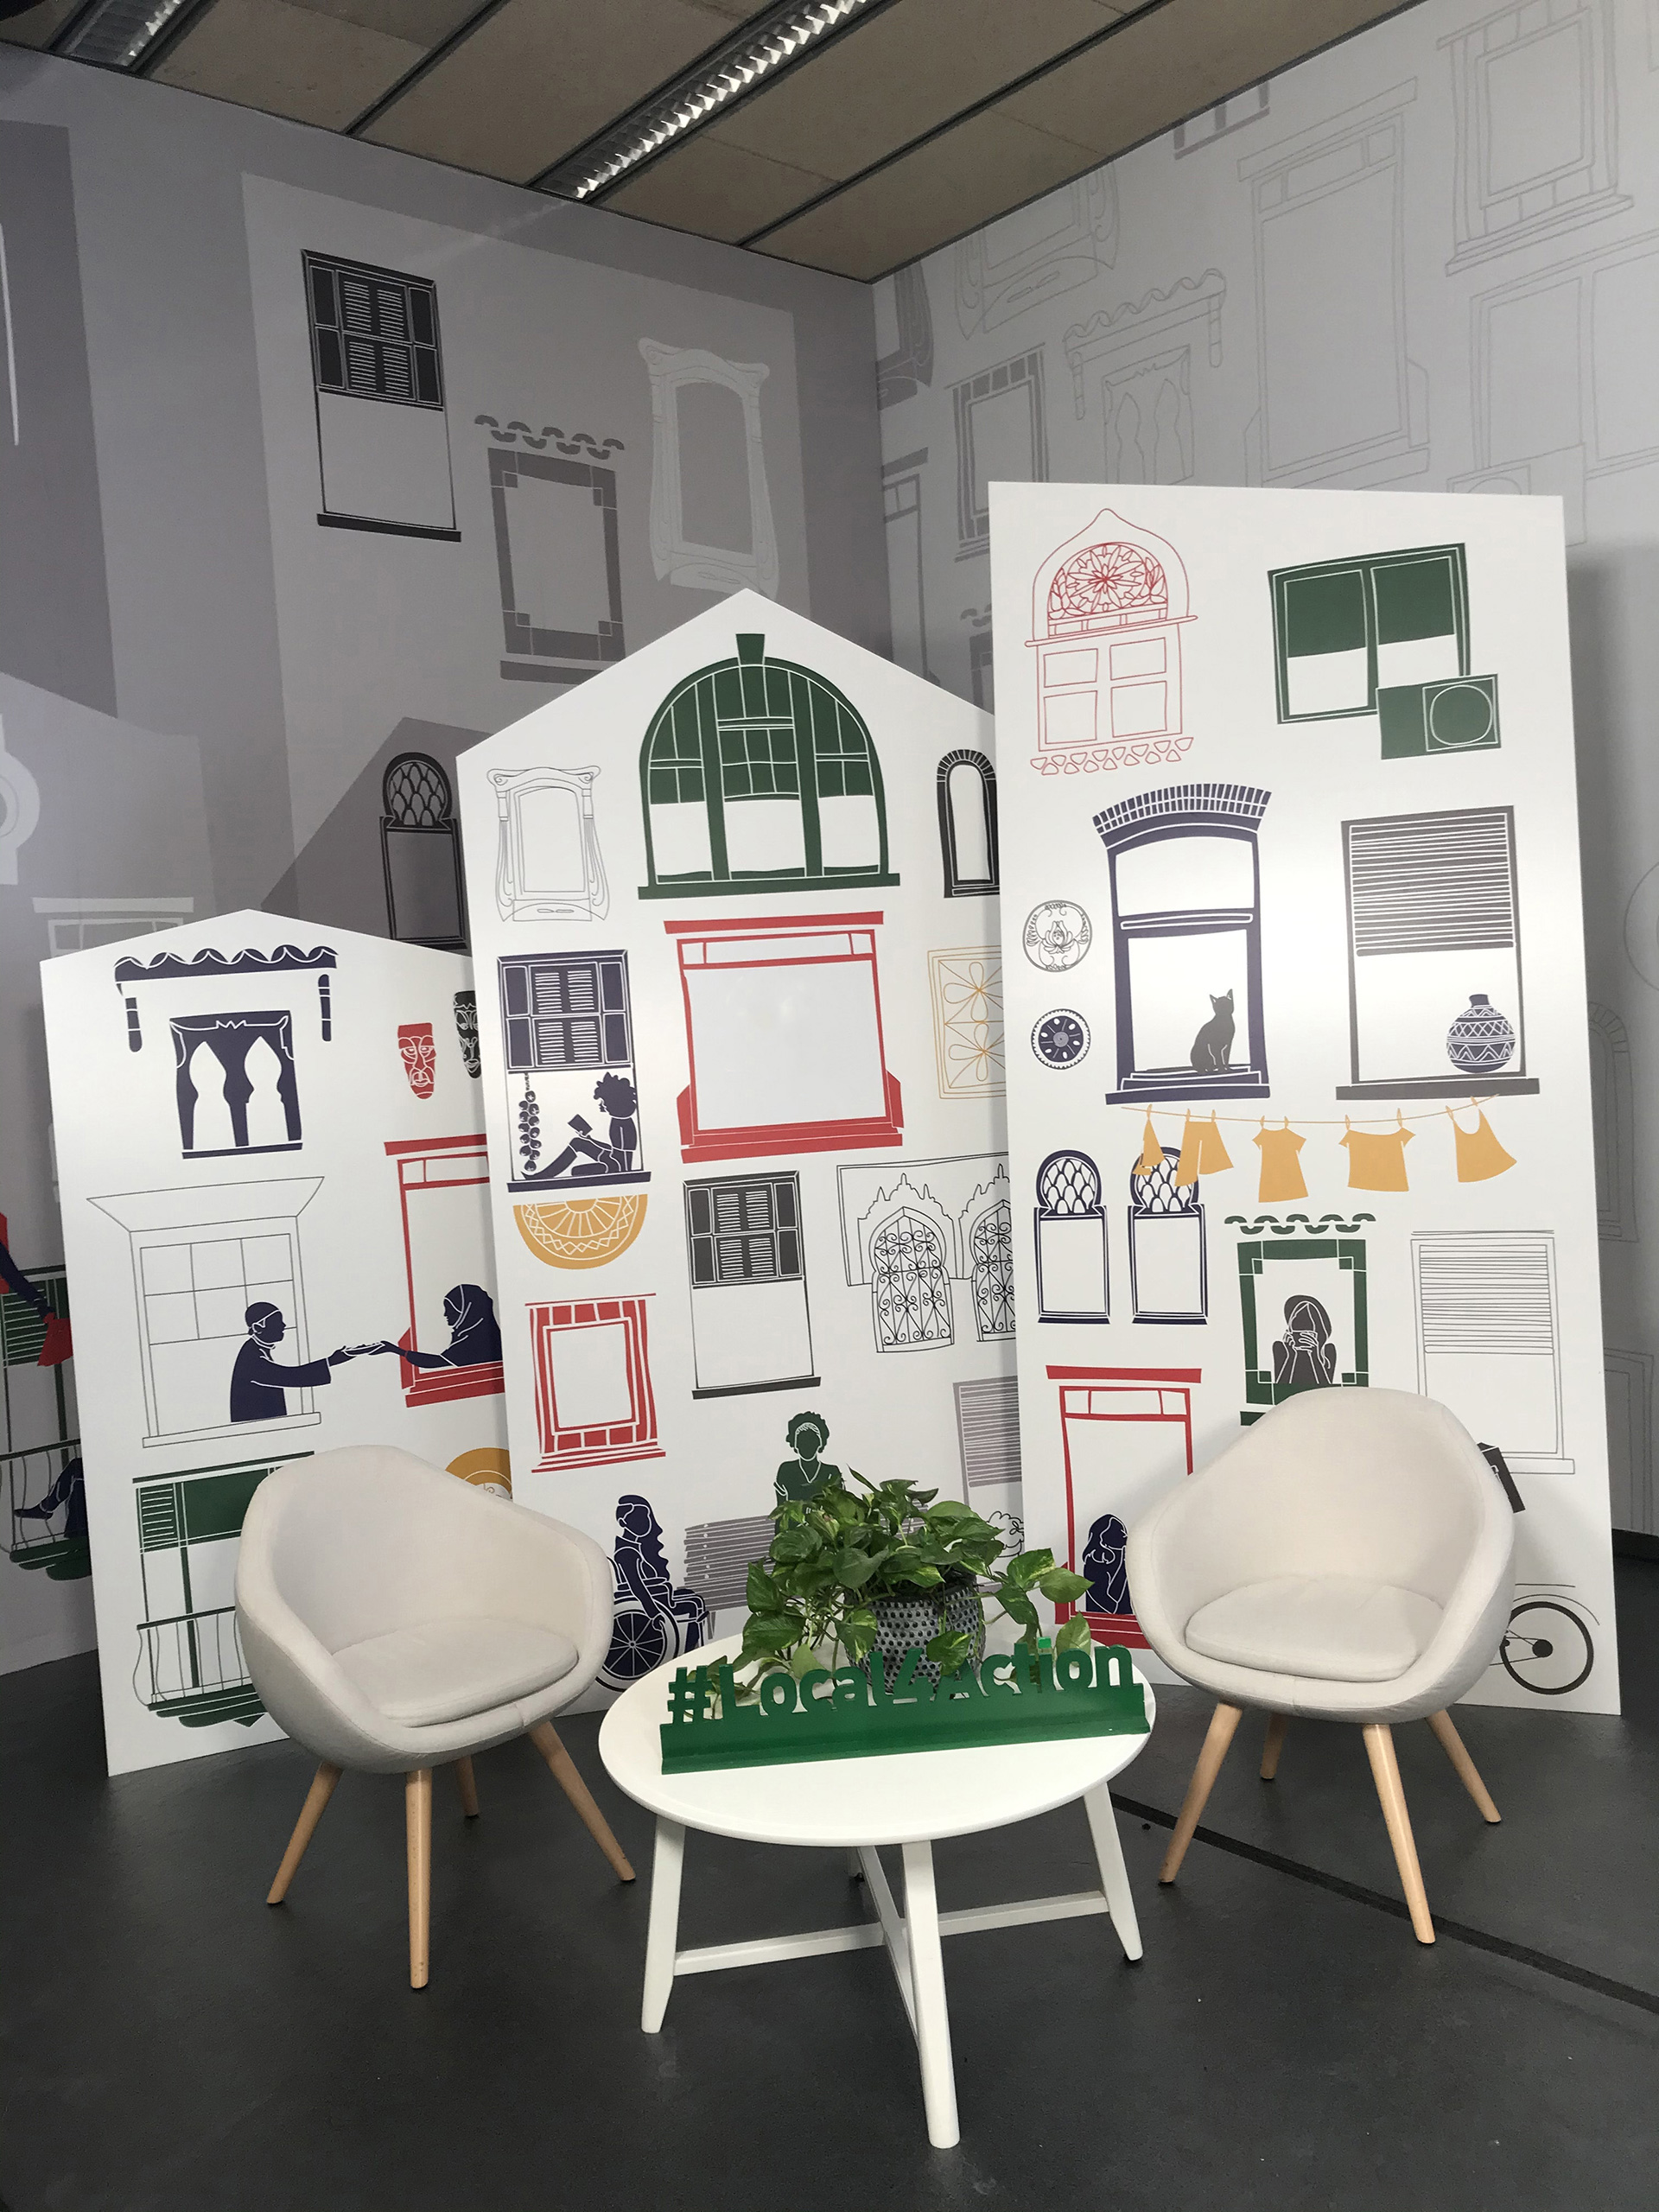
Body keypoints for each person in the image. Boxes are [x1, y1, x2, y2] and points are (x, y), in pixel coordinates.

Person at [229, 1303, 367, 1423]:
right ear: (258, 1328)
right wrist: (333, 1360)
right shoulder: (251, 1356)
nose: (283, 1325)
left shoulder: (257, 1349)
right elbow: (290, 1376)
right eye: (277, 1322)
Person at [524, 1073, 639, 1182]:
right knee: (577, 1142)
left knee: (577, 1170)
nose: (601, 1104)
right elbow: (614, 1149)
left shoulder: (622, 1124)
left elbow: (622, 1159)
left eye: (602, 1101)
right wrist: (590, 1139)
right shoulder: (618, 1120)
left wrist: (623, 1176)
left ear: (612, 1102)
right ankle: (542, 1176)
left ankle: (542, 1178)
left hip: (615, 1166)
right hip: (612, 1158)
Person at [382, 1283, 501, 1371]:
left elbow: (435, 1362)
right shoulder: (473, 1334)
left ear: (467, 1310)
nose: (446, 1314)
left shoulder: (475, 1339)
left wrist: (396, 1350)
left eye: (450, 1309)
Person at [1272, 1294, 1337, 1397]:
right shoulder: (1281, 1349)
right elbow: (1279, 1391)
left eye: (1307, 1334)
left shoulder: (1328, 1351)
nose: (1302, 1338)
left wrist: (1315, 1357)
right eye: (1298, 1332)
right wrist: (1291, 1356)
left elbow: (1326, 1391)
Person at [775, 1409, 842, 1504]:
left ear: (820, 1443)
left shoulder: (831, 1472)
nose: (807, 1445)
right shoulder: (786, 1470)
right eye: (802, 1441)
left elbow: (841, 1506)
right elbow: (781, 1507)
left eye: (812, 1440)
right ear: (795, 1444)